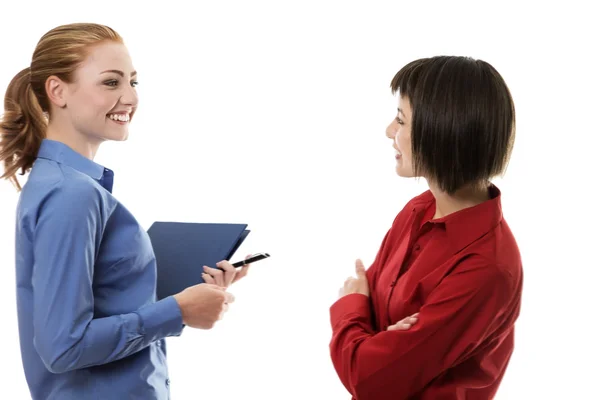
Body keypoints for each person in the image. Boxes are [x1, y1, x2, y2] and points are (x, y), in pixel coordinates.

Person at [0, 22, 248, 400]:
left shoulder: (66, 184)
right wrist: (178, 310)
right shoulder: (72, 194)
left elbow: (100, 299)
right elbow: (63, 348)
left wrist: (188, 294)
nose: (130, 98)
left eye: (133, 82)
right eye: (111, 82)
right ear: (57, 90)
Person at [329, 56, 523, 399]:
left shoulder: (487, 268)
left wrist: (352, 309)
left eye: (401, 120)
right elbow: (372, 336)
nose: (389, 131)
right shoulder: (419, 209)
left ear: (441, 131)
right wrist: (381, 339)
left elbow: (368, 378)